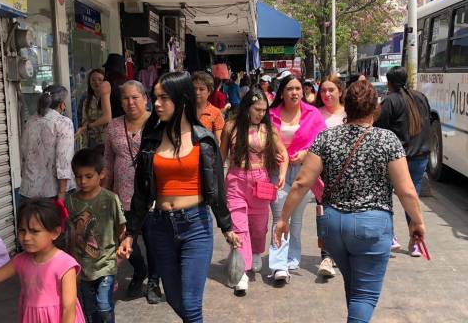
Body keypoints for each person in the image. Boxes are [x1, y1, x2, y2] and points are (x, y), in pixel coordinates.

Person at [274, 81, 426, 322]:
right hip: (371, 226)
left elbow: (302, 182)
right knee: (365, 296)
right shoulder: (387, 140)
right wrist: (417, 222)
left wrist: (283, 219)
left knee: (354, 289)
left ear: (347, 107)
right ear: (375, 109)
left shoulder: (326, 138)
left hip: (334, 227)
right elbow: (406, 190)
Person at [116, 72, 241, 322]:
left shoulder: (204, 140)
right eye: (155, 98)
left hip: (196, 226)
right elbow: (141, 192)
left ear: (182, 98)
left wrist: (226, 226)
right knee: (173, 298)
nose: (157, 104)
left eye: (164, 98)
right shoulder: (151, 139)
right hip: (160, 227)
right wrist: (130, 233)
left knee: (191, 305)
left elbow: (216, 188)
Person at [219, 88, 288, 296]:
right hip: (235, 182)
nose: (261, 114)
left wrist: (283, 173)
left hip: (261, 182)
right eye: (257, 109)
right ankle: (241, 271)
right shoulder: (230, 127)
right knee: (239, 227)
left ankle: (256, 251)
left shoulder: (269, 129)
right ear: (247, 107)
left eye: (264, 110)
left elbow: (282, 152)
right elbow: (221, 157)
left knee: (258, 227)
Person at [103, 80, 163, 304]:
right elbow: (108, 161)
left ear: (145, 99)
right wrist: (104, 192)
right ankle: (140, 270)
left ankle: (154, 281)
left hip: (153, 197)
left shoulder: (158, 124)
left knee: (154, 241)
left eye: (135, 97)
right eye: (125, 98)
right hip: (122, 196)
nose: (130, 103)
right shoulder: (113, 127)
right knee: (126, 241)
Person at [268, 75, 326, 284]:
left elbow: (323, 142)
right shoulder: (270, 114)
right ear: (281, 92)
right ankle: (278, 265)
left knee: (297, 219)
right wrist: (270, 151)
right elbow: (260, 138)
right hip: (278, 173)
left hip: (305, 172)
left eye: (298, 89)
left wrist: (307, 153)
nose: (294, 92)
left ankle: (292, 258)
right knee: (280, 216)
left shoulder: (313, 114)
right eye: (290, 89)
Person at [376, 66, 432, 257]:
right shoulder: (420, 97)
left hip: (397, 158)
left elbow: (379, 128)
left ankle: (390, 236)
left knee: (384, 196)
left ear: (389, 83)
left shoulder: (389, 101)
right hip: (421, 155)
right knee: (412, 198)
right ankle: (416, 242)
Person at [65, 148, 125, 323]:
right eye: (78, 176)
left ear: (102, 174)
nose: (82, 181)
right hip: (82, 267)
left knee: (104, 306)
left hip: (106, 263)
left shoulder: (110, 199)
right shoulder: (70, 202)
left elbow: (121, 228)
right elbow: (68, 233)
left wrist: (122, 246)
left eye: (88, 176)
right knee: (89, 310)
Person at [313, 75, 348, 278]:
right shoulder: (315, 114)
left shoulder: (350, 114)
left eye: (331, 90)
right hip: (322, 173)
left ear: (340, 92)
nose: (326, 94)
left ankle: (342, 251)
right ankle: (326, 256)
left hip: (347, 172)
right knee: (323, 212)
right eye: (323, 91)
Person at [20, 85, 75, 203]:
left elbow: (24, 154)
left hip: (28, 191)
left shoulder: (30, 121)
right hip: (53, 192)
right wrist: (62, 194)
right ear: (61, 104)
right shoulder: (63, 123)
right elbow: (63, 160)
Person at [76, 68, 112, 148]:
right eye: (93, 80)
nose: (96, 82)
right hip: (92, 141)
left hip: (107, 140)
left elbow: (108, 118)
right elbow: (84, 121)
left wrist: (89, 126)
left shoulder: (110, 97)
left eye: (100, 79)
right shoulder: (86, 99)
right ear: (89, 82)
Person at [191, 71, 226, 142]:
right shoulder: (185, 110)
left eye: (201, 89)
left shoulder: (215, 113)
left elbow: (219, 141)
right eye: (194, 88)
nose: (197, 92)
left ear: (209, 91)